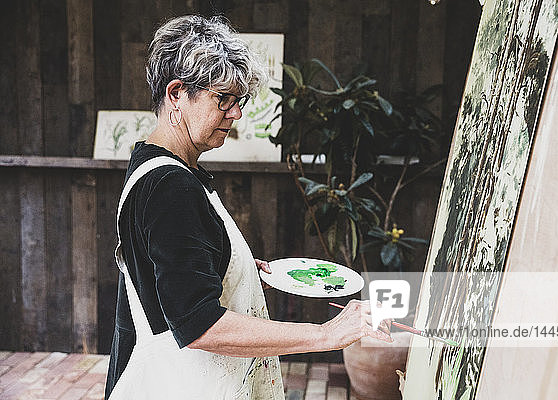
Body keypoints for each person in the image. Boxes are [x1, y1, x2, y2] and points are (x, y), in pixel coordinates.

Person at [105, 15, 392, 400]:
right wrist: (327, 334)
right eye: (221, 98)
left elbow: (160, 270)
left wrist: (226, 263)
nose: (235, 113)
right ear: (176, 94)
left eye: (237, 101)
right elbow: (199, 325)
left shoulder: (152, 166)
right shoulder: (170, 185)